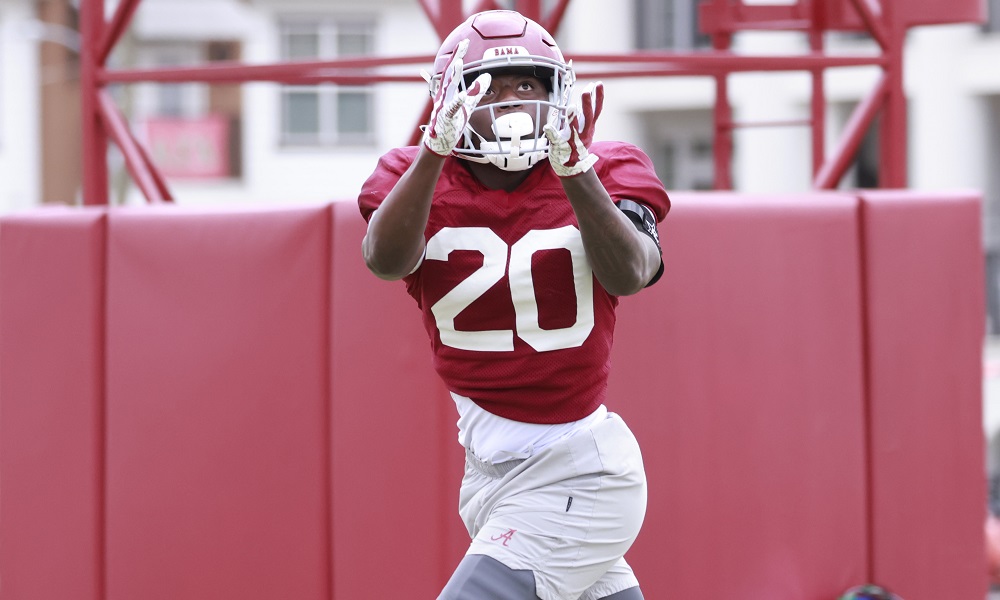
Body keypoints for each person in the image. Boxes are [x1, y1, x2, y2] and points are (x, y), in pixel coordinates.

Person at [357, 9, 669, 600]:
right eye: (487, 86)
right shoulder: (409, 176)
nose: (510, 102)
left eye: (526, 84)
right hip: (490, 470)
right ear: (450, 98)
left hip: (578, 468)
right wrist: (431, 154)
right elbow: (385, 261)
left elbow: (630, 272)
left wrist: (575, 172)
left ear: (556, 91)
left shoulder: (609, 169)